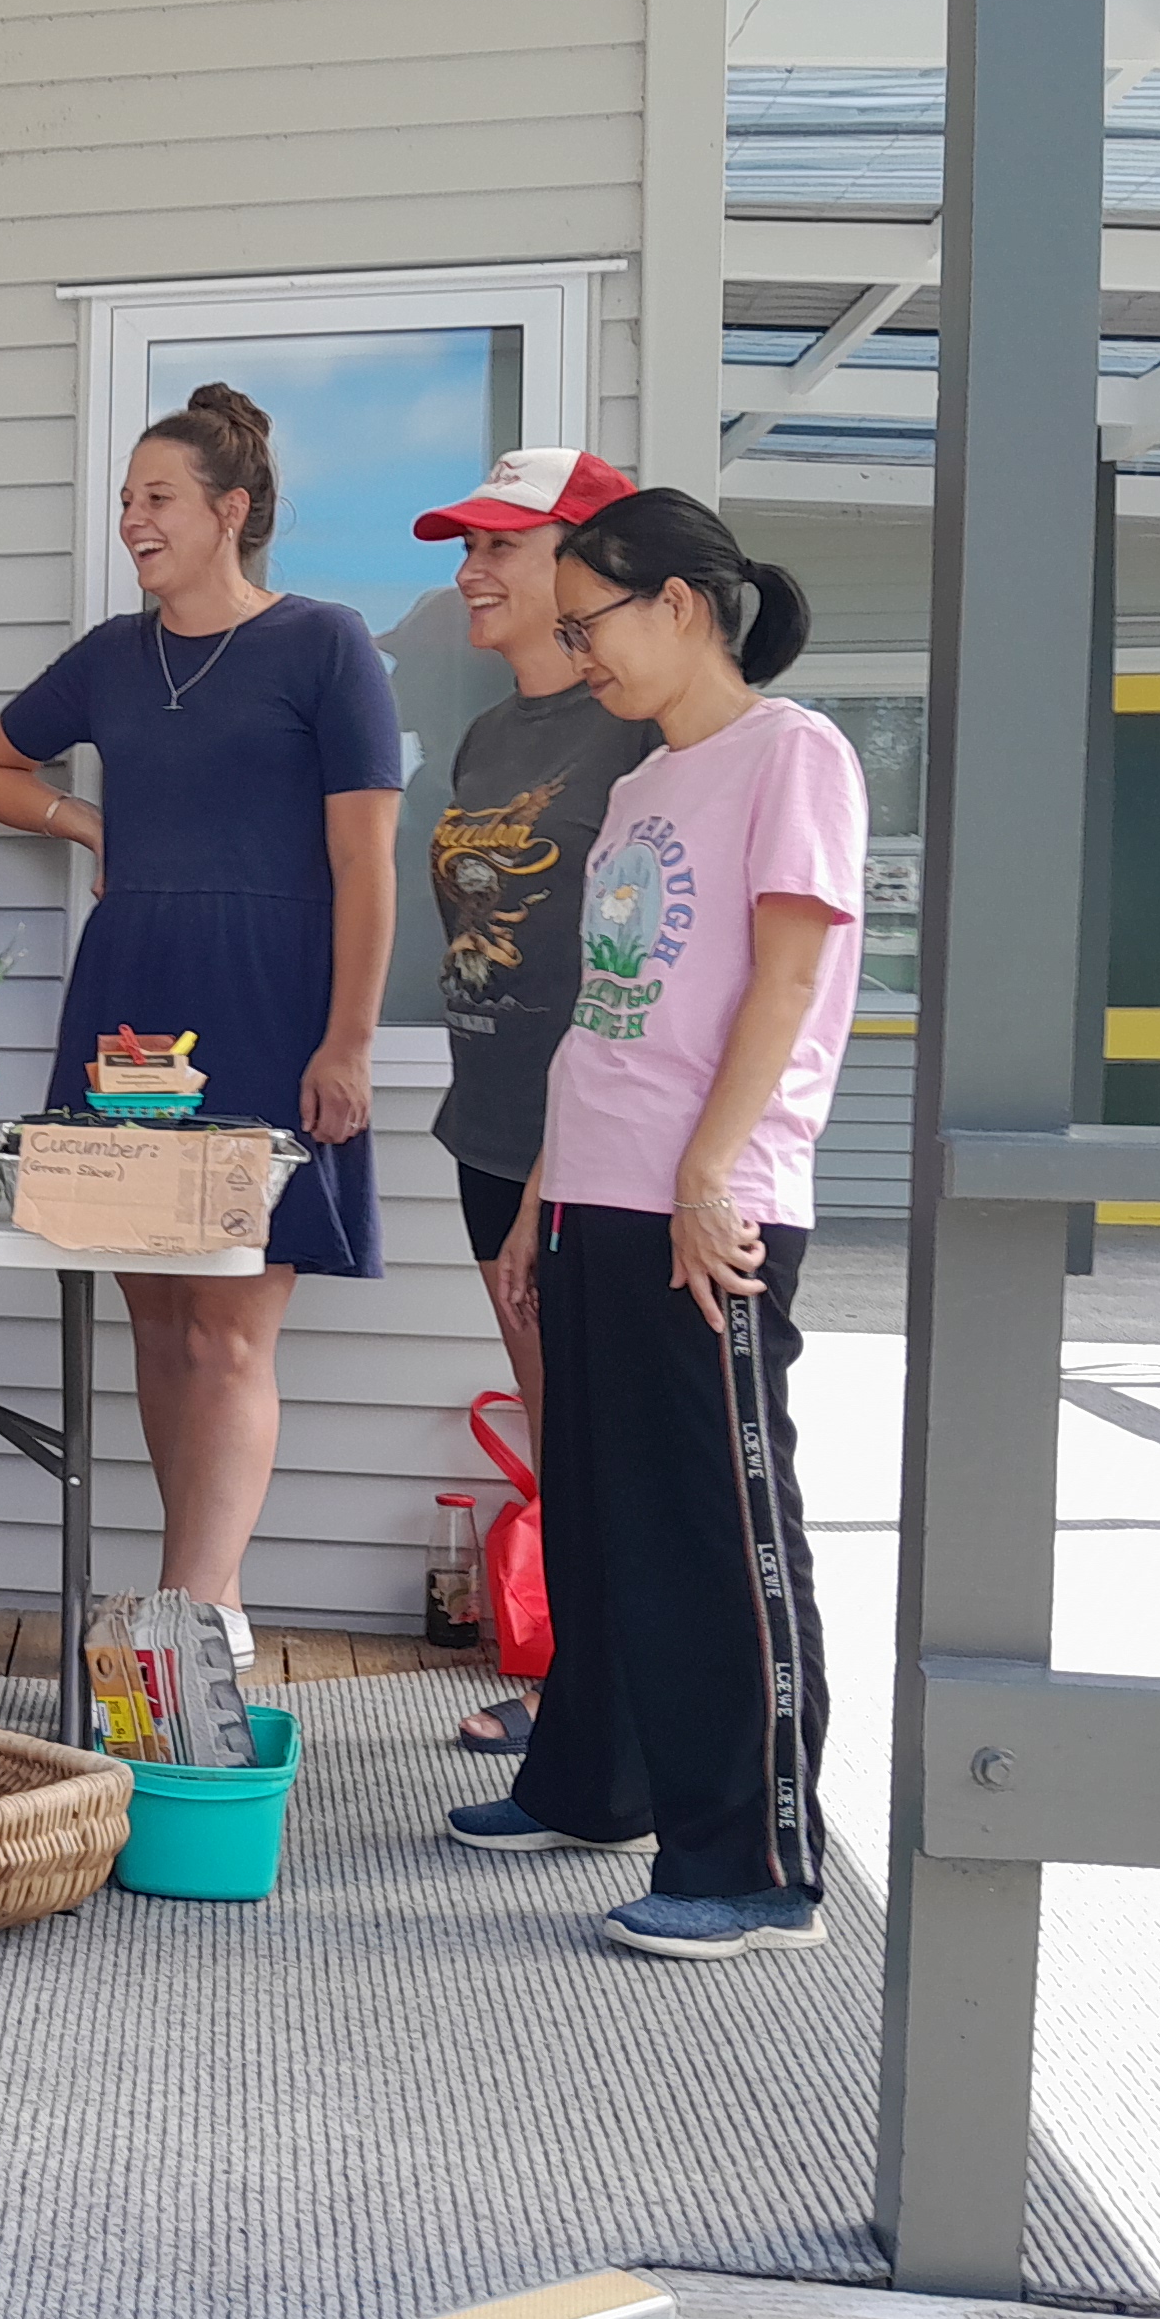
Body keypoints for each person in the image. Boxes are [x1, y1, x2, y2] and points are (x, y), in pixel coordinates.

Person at [442, 488, 865, 1964]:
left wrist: (708, 1174)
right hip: (593, 1195)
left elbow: (788, 985)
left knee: (715, 1528)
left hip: (710, 1208)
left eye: (591, 622)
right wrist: (542, 1199)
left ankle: (757, 1865)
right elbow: (603, 1020)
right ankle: (594, 1785)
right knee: (605, 1516)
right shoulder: (641, 786)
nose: (582, 654)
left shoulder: (791, 753)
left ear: (680, 602)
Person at [0, 383, 402, 1661]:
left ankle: (205, 1613)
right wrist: (96, 824)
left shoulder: (325, 642)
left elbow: (367, 863)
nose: (133, 521)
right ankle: (177, 1587)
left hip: (273, 996)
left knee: (230, 1319)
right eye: (125, 500)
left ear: (231, 511)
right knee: (155, 1315)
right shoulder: (109, 655)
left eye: (157, 499)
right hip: (133, 994)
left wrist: (349, 1040)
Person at [407, 449, 661, 1758]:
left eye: (499, 547)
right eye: (466, 548)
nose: (470, 573)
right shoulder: (492, 733)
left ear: (586, 559)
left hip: (598, 1143)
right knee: (564, 1433)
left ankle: (624, 1717)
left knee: (619, 1441)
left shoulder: (642, 729)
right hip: (490, 1127)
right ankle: (583, 1700)